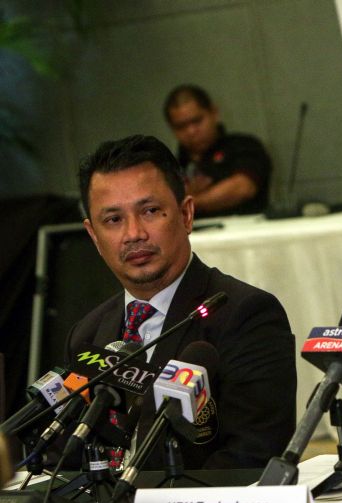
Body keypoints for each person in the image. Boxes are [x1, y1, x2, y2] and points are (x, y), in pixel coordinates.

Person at [69, 134, 295, 469]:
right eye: (113, 220)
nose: (134, 234)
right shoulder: (87, 335)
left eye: (150, 211)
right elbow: (71, 459)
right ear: (94, 237)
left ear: (186, 214)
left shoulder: (247, 315)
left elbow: (251, 459)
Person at [163, 84, 271, 217]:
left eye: (197, 121)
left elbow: (243, 188)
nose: (191, 131)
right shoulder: (169, 166)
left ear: (214, 113)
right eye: (181, 126)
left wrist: (187, 201)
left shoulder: (244, 146)